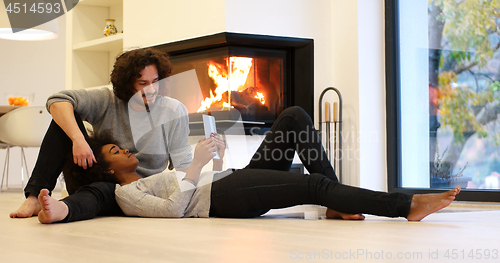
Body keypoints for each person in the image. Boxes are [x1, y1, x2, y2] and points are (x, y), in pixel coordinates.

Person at [37, 107, 460, 223]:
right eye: (116, 154)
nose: (127, 152)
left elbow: (192, 185)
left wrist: (214, 157)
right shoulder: (127, 194)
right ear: (107, 171)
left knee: (293, 116)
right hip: (226, 196)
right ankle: (406, 206)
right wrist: (194, 168)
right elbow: (174, 211)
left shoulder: (144, 177)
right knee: (311, 185)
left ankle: (336, 202)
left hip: (228, 180)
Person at [10, 48, 198, 222]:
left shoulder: (173, 111)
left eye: (155, 82)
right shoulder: (107, 100)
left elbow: (183, 165)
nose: (151, 90)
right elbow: (57, 100)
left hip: (139, 191)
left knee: (102, 193)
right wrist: (78, 139)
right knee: (65, 118)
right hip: (99, 178)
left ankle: (64, 209)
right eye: (143, 83)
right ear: (127, 84)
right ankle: (35, 197)